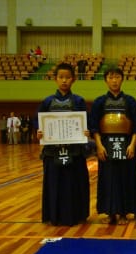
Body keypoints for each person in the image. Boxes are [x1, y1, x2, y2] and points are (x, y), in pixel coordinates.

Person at [35, 62, 90, 226]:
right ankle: (54, 215)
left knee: (74, 183)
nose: (64, 81)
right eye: (61, 77)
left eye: (67, 77)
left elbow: (84, 123)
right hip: (53, 152)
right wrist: (39, 132)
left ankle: (77, 215)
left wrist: (85, 132)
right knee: (54, 183)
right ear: (55, 79)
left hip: (74, 151)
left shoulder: (79, 101)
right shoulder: (47, 102)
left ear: (73, 79)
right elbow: (37, 123)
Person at [89, 66, 136, 225]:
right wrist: (99, 146)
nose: (114, 81)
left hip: (126, 144)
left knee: (125, 177)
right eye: (111, 77)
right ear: (106, 80)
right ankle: (110, 212)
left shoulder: (130, 101)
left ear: (122, 79)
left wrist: (132, 145)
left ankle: (124, 213)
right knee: (108, 178)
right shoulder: (100, 102)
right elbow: (94, 127)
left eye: (117, 77)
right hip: (106, 145)